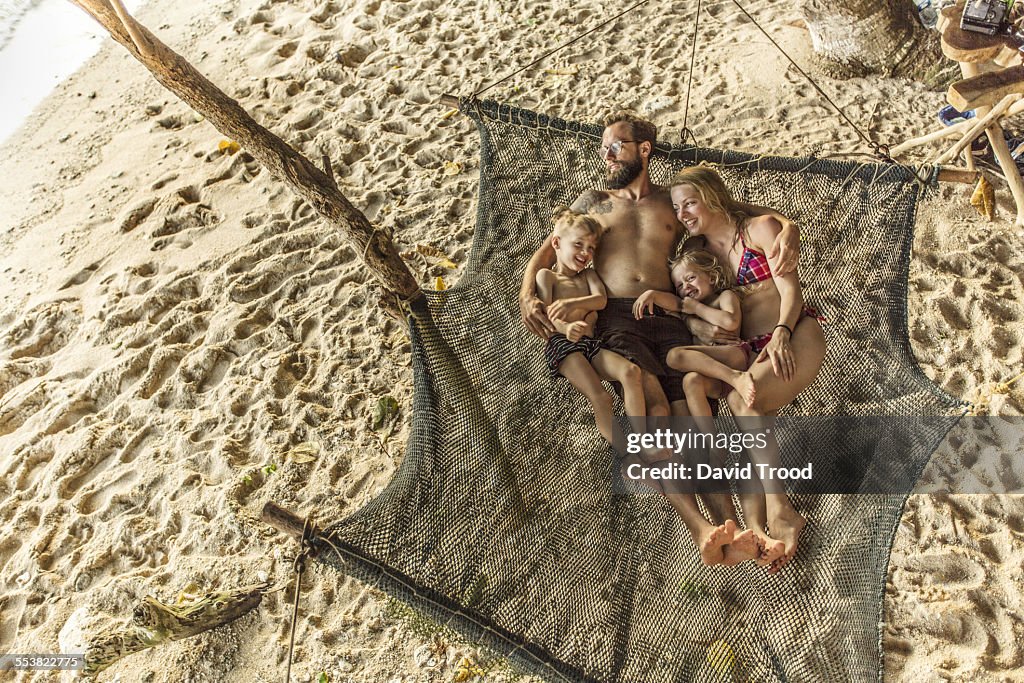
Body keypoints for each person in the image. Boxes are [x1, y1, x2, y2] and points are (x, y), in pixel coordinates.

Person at [519, 111, 802, 567]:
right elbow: (550, 246)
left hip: (668, 317)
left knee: (693, 426)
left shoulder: (672, 201)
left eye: (616, 146)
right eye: (604, 147)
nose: (606, 155)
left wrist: (787, 225)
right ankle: (704, 530)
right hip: (615, 315)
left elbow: (732, 208)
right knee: (656, 423)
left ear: (643, 149)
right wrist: (526, 294)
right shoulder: (595, 201)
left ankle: (739, 535)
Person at [670, 164, 827, 572]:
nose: (683, 213)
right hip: (749, 353)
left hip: (793, 336)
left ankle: (781, 510)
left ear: (711, 195)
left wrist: (780, 332)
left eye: (690, 202)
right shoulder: (697, 251)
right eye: (677, 207)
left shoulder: (757, 231)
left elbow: (790, 290)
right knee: (749, 426)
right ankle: (759, 529)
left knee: (743, 403)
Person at [535, 208, 645, 453]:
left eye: (591, 248)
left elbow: (600, 300)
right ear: (557, 243)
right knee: (602, 397)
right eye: (578, 245)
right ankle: (627, 454)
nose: (585, 253)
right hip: (563, 345)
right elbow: (546, 319)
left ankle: (645, 444)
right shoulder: (547, 277)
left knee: (630, 372)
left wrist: (574, 305)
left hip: (591, 344)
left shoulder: (589, 275)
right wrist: (568, 327)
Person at [632, 248, 756, 416]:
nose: (686, 286)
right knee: (691, 381)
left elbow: (730, 321)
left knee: (675, 355)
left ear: (711, 277)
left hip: (733, 357)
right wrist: (651, 294)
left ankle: (736, 377)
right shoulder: (688, 307)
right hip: (717, 378)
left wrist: (696, 308)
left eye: (691, 278)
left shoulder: (724, 297)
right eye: (680, 286)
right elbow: (674, 302)